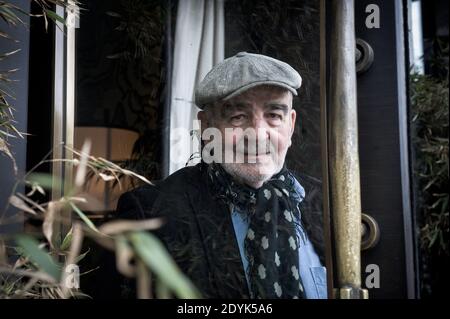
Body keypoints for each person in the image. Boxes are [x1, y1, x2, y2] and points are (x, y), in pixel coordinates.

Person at [114, 52, 327, 299]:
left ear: (290, 125)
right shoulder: (149, 214)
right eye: (238, 117)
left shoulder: (327, 204)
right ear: (206, 127)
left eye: (274, 115)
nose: (258, 134)